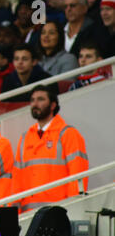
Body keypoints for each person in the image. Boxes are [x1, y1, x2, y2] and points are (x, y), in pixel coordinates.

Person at [12, 85, 89, 213]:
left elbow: (78, 173)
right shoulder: (25, 138)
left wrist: (73, 207)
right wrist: (14, 211)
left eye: (41, 99)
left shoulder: (68, 133)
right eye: (32, 100)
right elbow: (17, 178)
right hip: (28, 214)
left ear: (53, 105)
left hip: (59, 211)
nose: (35, 103)